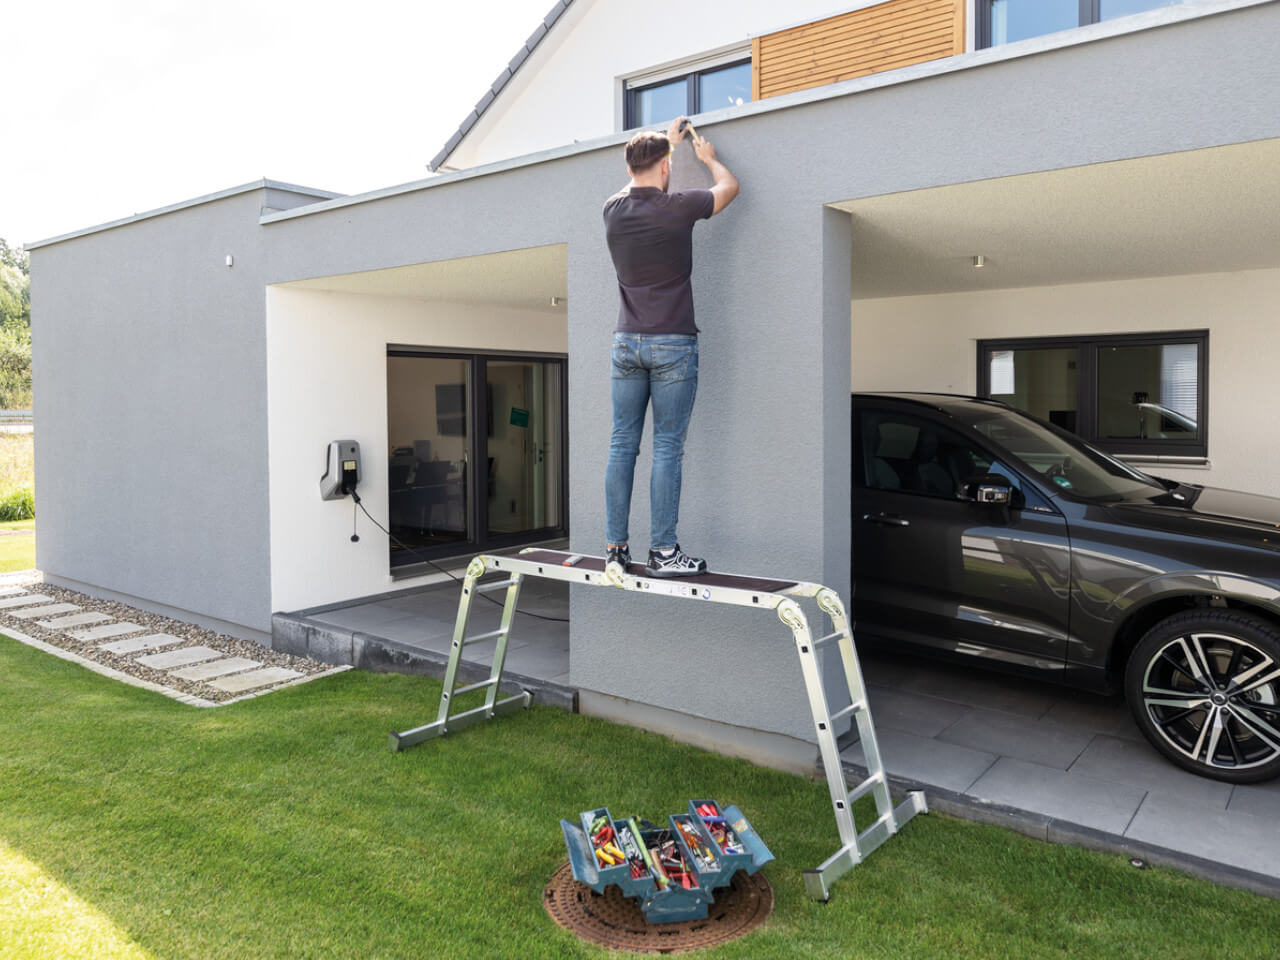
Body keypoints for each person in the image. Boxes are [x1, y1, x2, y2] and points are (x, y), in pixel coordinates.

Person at [602, 115, 740, 578]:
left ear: (628, 170)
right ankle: (663, 552)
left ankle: (616, 550)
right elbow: (729, 188)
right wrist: (709, 160)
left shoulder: (612, 210)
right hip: (673, 345)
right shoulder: (679, 206)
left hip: (626, 343)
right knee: (666, 448)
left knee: (622, 445)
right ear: (665, 168)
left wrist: (667, 147)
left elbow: (636, 184)